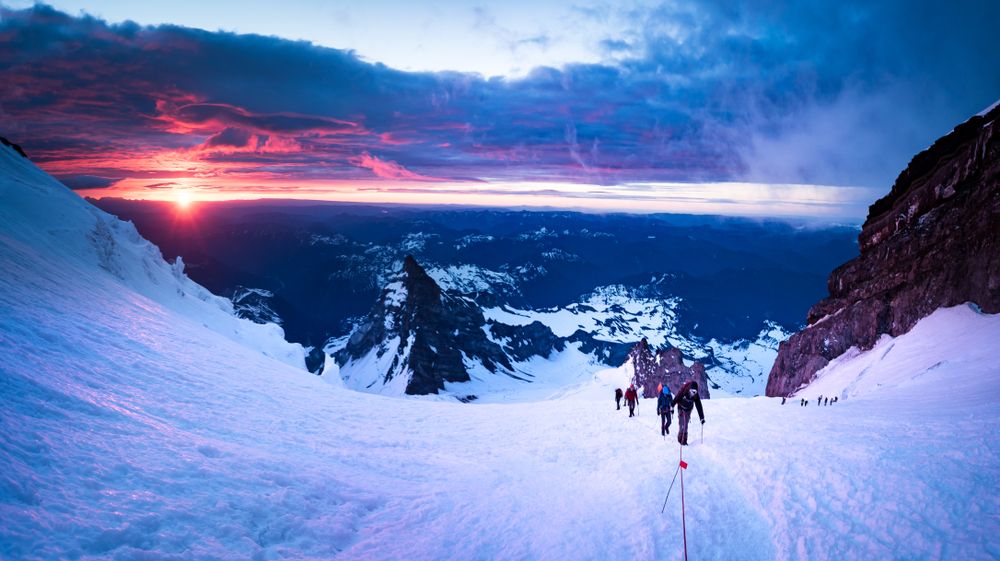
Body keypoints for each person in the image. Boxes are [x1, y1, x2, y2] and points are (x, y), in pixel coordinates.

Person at [672, 380, 705, 445]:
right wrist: (672, 405)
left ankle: (684, 440)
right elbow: (677, 397)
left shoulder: (696, 395)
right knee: (682, 424)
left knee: (686, 424)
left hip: (688, 410)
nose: (693, 393)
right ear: (690, 389)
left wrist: (702, 418)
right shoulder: (684, 391)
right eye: (692, 391)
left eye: (695, 392)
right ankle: (680, 440)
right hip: (681, 408)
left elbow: (699, 406)